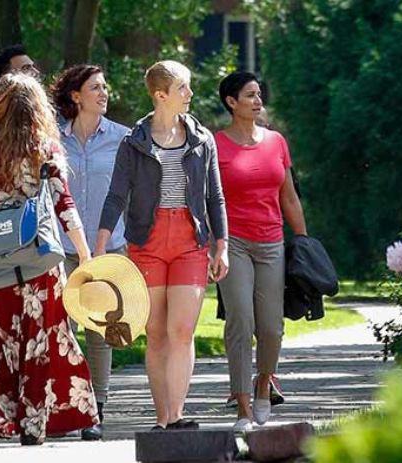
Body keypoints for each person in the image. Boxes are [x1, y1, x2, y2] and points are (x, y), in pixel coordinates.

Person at [0, 72, 99, 446]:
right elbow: (64, 203)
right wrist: (83, 254)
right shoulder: (46, 148)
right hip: (39, 265)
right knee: (40, 340)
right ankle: (34, 423)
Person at [96, 60, 229, 431]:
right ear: (161, 95)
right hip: (148, 241)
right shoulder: (133, 142)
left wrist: (223, 244)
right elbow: (116, 195)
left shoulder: (203, 139)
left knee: (181, 331)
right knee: (155, 332)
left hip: (190, 240)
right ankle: (162, 416)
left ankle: (177, 415)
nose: (190, 94)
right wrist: (102, 244)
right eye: (183, 87)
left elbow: (215, 197)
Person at [214, 71, 308, 433]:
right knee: (241, 320)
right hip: (233, 242)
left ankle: (264, 383)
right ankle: (241, 406)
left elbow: (289, 197)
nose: (258, 101)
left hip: (272, 243)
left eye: (259, 95)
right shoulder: (215, 145)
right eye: (250, 95)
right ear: (231, 102)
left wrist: (303, 245)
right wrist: (214, 244)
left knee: (271, 327)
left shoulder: (276, 142)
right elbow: (211, 199)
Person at [49, 64, 130, 441]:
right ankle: (66, 403)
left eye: (104, 86)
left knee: (100, 329)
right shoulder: (52, 140)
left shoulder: (124, 139)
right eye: (95, 87)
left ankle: (96, 409)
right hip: (60, 248)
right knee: (62, 329)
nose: (104, 92)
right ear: (76, 96)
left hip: (107, 248)